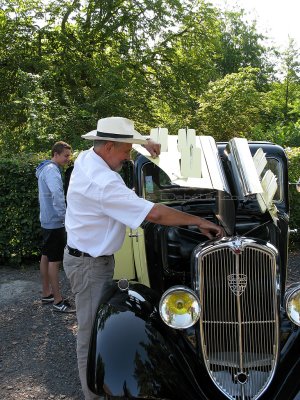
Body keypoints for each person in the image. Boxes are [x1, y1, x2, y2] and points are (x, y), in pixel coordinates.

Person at [63, 117, 225, 399]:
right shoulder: (102, 182)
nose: (128, 158)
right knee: (90, 338)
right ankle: (93, 395)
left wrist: (142, 144)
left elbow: (118, 150)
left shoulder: (88, 158)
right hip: (90, 266)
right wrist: (198, 222)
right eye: (126, 151)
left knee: (95, 328)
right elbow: (155, 214)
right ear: (110, 147)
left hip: (90, 259)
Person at [36, 141, 75, 313]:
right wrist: (64, 217)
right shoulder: (52, 171)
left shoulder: (45, 168)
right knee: (54, 261)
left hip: (47, 220)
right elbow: (58, 196)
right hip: (55, 222)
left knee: (46, 255)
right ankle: (58, 301)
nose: (68, 159)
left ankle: (47, 294)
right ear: (56, 154)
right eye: (66, 156)